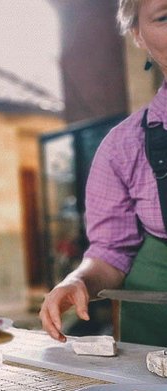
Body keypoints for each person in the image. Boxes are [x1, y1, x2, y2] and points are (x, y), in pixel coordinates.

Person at [40, 0, 167, 347]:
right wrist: (78, 280)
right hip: (158, 334)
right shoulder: (124, 146)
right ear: (138, 35)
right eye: (165, 16)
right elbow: (110, 251)